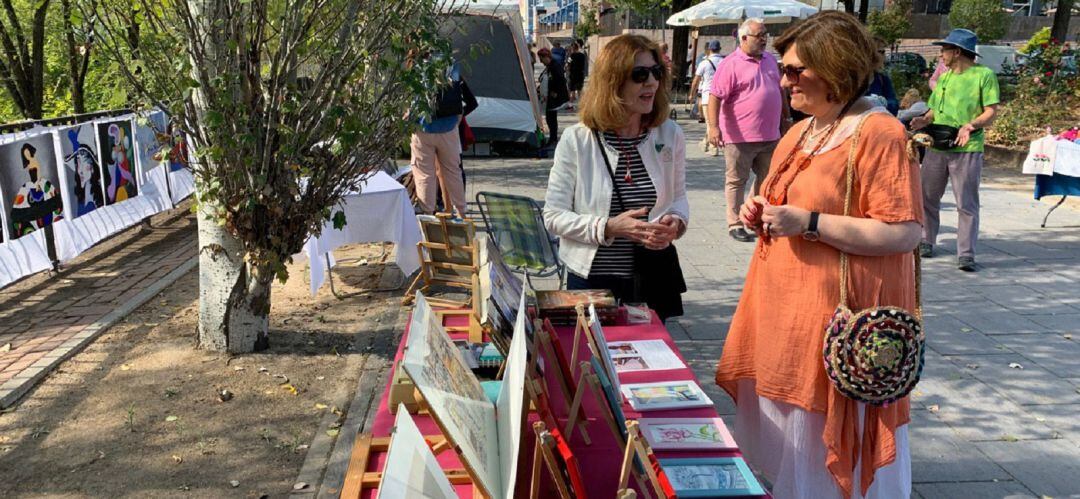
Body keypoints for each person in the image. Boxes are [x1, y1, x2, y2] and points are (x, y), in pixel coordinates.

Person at [715, 11, 922, 499]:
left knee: (821, 442)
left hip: (838, 321)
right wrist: (757, 209)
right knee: (795, 440)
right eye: (781, 68)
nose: (782, 79)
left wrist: (809, 224)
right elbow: (782, 200)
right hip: (790, 315)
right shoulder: (804, 130)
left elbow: (905, 232)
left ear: (836, 68)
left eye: (794, 70)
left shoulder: (879, 133)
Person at [543, 34, 689, 322]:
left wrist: (676, 222)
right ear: (613, 81)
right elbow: (553, 216)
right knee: (593, 362)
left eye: (656, 72)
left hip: (650, 279)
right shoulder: (578, 139)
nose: (651, 82)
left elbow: (678, 198)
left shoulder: (670, 134)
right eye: (639, 74)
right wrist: (608, 227)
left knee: (647, 362)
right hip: (592, 281)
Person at [910, 28, 1000, 272]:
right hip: (938, 145)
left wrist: (971, 125)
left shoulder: (984, 76)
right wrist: (923, 120)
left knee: (966, 202)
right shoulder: (945, 77)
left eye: (944, 50)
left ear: (957, 52)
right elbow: (934, 110)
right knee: (927, 196)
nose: (941, 55)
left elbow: (991, 110)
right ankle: (926, 240)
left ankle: (966, 253)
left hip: (967, 147)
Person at [707, 18, 790, 243]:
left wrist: (786, 117)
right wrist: (713, 128)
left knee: (767, 179)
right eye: (759, 35)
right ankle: (734, 222)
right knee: (736, 181)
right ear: (743, 38)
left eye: (765, 35)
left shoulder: (771, 60)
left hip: (770, 135)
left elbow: (780, 91)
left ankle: (752, 216)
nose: (764, 39)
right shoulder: (730, 64)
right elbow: (715, 97)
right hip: (739, 136)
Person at [410, 59, 470, 216]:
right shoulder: (451, 65)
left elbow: (412, 100)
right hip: (448, 127)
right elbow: (461, 96)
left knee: (424, 174)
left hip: (423, 128)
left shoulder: (416, 66)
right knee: (453, 172)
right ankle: (462, 213)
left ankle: (428, 214)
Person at [689, 40, 725, 154]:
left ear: (709, 49)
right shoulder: (725, 62)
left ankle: (714, 147)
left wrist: (691, 93)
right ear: (720, 48)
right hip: (721, 97)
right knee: (716, 121)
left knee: (710, 123)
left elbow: (696, 80)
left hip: (707, 96)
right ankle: (705, 141)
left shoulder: (704, 63)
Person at [538, 47, 570, 146]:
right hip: (550, 95)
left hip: (554, 96)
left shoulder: (555, 65)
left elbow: (560, 80)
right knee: (550, 117)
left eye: (541, 59)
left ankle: (553, 138)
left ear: (546, 57)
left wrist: (555, 91)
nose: (541, 61)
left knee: (551, 117)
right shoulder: (550, 65)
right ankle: (553, 137)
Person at [866, 42, 899, 115]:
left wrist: (883, 104)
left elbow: (894, 105)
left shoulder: (883, 79)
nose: (885, 56)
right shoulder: (854, 80)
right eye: (882, 52)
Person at [567, 42, 588, 108]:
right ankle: (582, 105)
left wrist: (567, 69)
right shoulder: (582, 55)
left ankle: (570, 105)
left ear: (572, 48)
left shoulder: (571, 56)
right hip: (580, 74)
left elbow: (567, 64)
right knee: (579, 91)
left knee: (572, 90)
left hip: (573, 75)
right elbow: (584, 64)